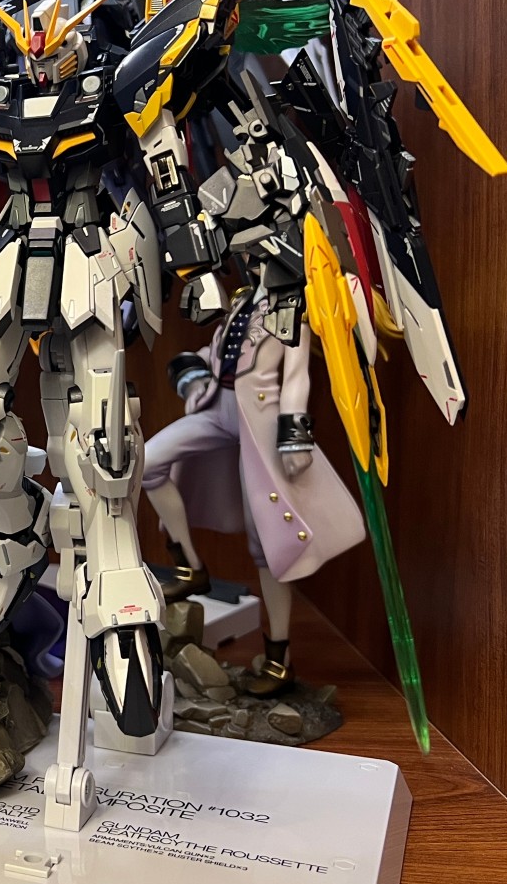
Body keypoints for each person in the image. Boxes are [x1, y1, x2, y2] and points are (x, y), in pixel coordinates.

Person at [143, 286, 365, 696]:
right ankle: (190, 566)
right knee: (148, 461)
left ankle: (279, 659)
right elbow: (223, 353)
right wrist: (192, 375)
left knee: (266, 541)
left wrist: (295, 435)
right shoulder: (243, 299)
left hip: (259, 422)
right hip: (216, 409)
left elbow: (296, 376)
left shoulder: (292, 306)